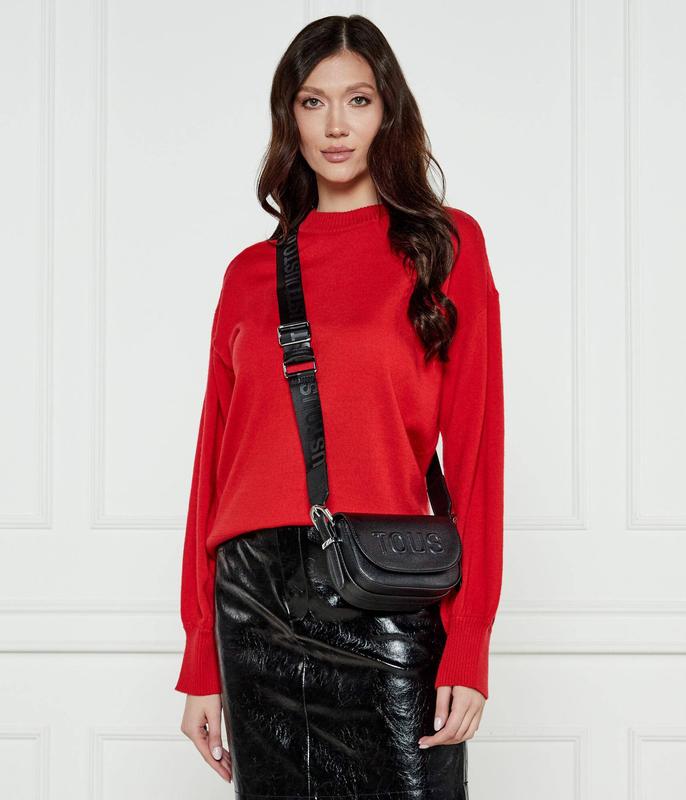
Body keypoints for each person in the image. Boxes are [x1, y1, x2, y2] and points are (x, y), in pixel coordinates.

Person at [176, 14, 504, 800]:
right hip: (253, 603)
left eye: (357, 100)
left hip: (381, 592)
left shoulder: (445, 246)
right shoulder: (249, 274)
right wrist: (200, 657)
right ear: (289, 116)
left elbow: (478, 454)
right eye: (313, 102)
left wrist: (468, 642)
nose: (335, 125)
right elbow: (213, 467)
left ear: (388, 112)